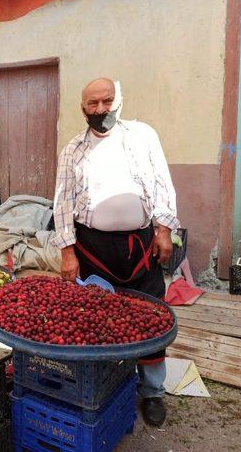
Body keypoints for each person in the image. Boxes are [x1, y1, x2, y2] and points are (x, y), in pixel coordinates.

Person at [52, 78, 179, 427]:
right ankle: (106, 384)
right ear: (83, 108)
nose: (100, 110)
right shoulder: (73, 150)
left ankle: (152, 391)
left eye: (107, 101)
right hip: (91, 248)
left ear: (119, 101)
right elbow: (61, 204)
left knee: (150, 316)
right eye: (92, 104)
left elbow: (162, 182)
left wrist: (164, 229)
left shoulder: (141, 137)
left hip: (140, 246)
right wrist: (67, 252)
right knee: (95, 319)